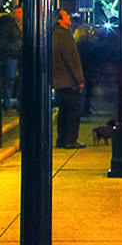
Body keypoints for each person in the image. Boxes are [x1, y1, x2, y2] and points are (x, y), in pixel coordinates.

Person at [52, 9, 86, 148]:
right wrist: (80, 79)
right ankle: (70, 139)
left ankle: (62, 138)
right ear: (60, 20)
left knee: (63, 111)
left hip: (58, 81)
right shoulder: (65, 36)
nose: (69, 17)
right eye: (66, 15)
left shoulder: (54, 35)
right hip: (68, 80)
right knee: (72, 111)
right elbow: (72, 59)